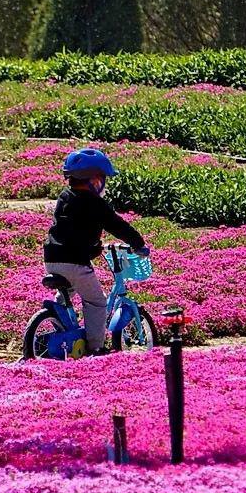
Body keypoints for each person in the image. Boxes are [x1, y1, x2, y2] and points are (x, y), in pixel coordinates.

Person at [43, 148, 149, 355]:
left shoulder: (65, 196)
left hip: (52, 259)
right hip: (75, 262)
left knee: (68, 292)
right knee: (96, 301)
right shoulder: (95, 203)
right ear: (93, 180)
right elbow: (117, 225)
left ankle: (59, 323)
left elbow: (72, 228)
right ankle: (96, 347)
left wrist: (93, 247)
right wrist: (138, 243)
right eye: (102, 178)